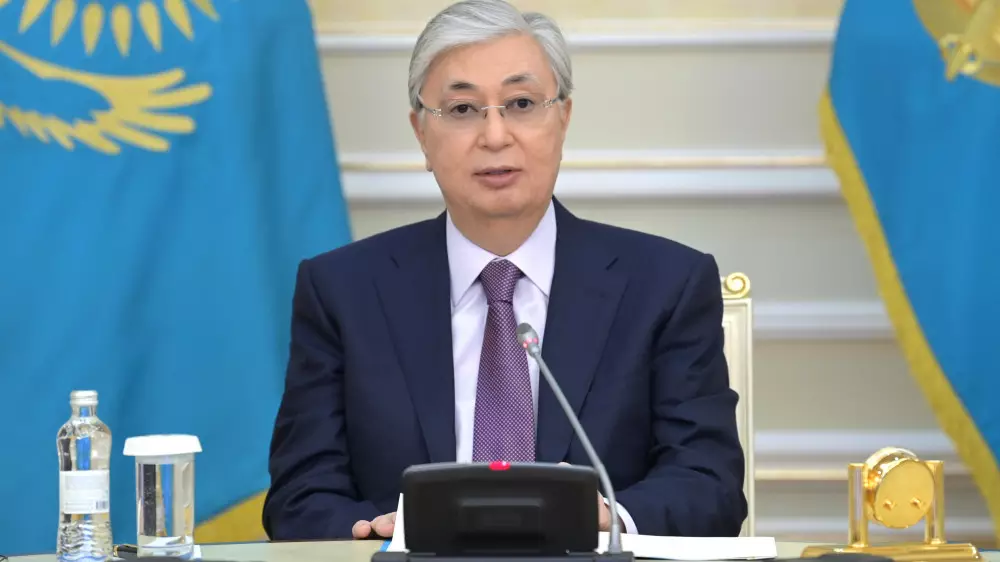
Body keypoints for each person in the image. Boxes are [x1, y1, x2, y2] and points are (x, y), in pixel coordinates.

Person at [262, 0, 747, 541]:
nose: (495, 136)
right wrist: (377, 535)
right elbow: (300, 497)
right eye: (463, 109)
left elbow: (709, 485)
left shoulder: (666, 285)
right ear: (421, 133)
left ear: (562, 119)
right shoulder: (342, 291)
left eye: (521, 103)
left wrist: (608, 518)